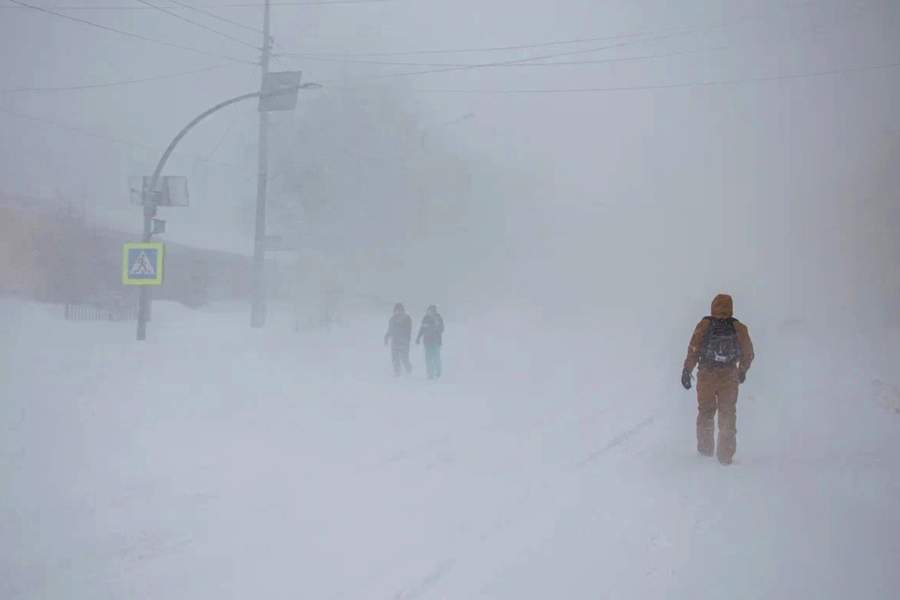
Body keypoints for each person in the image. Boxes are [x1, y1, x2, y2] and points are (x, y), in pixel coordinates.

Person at [681, 294, 755, 465]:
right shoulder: (739, 327)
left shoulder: (705, 324)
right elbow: (748, 353)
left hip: (706, 374)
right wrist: (742, 371)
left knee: (706, 412)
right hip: (729, 376)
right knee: (727, 413)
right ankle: (725, 456)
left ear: (713, 306)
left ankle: (705, 452)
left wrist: (687, 370)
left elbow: (693, 348)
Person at [416, 305, 445, 379]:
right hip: (427, 341)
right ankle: (430, 373)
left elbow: (442, 329)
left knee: (436, 357)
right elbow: (422, 329)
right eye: (429, 310)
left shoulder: (438, 318)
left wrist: (435, 326)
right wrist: (418, 338)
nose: (430, 312)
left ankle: (438, 372)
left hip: (436, 342)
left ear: (435, 311)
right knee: (428, 358)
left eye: (432, 310)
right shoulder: (425, 318)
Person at [384, 303, 413, 376]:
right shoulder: (392, 319)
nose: (397, 312)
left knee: (404, 358)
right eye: (396, 310)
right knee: (395, 358)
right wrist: (386, 337)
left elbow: (408, 330)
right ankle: (397, 372)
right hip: (395, 341)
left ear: (402, 310)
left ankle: (408, 369)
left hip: (404, 341)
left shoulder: (407, 318)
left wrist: (406, 339)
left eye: (399, 310)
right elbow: (390, 329)